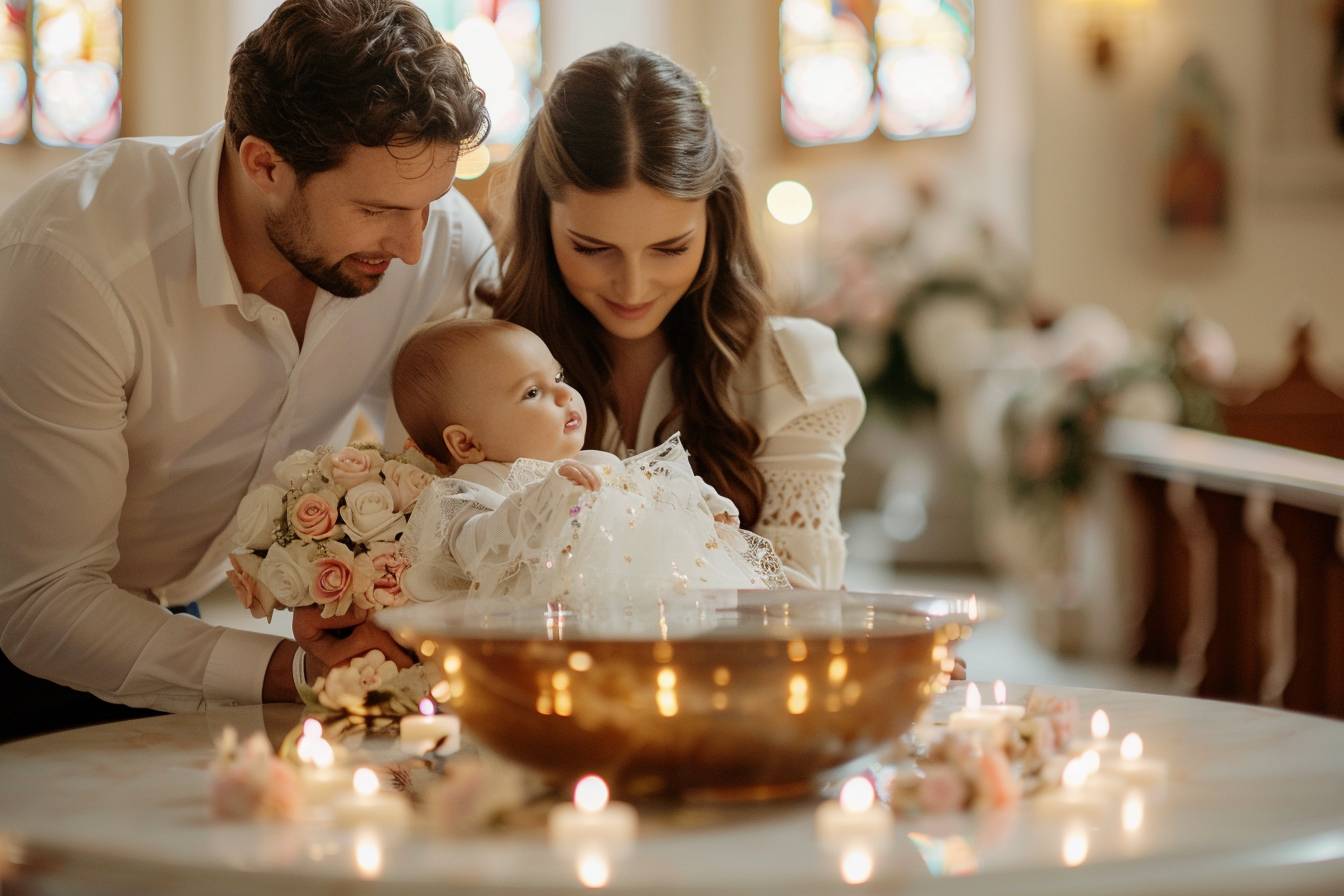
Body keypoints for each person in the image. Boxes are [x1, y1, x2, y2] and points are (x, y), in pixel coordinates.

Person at [0, 0, 495, 739]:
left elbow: (460, 481)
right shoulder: (76, 265)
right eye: (375, 210)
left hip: (172, 618)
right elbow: (39, 597)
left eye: (430, 204)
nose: (413, 247)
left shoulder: (440, 240)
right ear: (264, 163)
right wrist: (294, 672)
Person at [475, 44, 866, 591]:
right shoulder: (474, 359)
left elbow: (802, 612)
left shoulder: (790, 371)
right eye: (592, 248)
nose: (633, 287)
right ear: (543, 221)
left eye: (670, 248)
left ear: (715, 217)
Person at [391, 318, 786, 601]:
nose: (564, 395)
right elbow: (480, 545)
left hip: (637, 601)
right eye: (532, 393)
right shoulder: (470, 489)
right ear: (466, 444)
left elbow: (655, 492)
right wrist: (547, 499)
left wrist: (703, 506)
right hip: (540, 626)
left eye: (558, 378)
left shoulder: (597, 461)